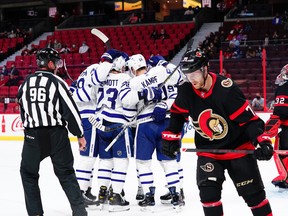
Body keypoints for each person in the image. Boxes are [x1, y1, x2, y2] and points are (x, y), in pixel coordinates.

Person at [161, 48, 274, 216]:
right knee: (208, 196)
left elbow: (250, 121)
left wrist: (263, 141)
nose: (191, 79)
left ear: (205, 68)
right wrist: (171, 136)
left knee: (255, 197)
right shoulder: (186, 91)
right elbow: (177, 114)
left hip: (238, 150)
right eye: (187, 74)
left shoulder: (226, 90)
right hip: (209, 152)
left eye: (195, 73)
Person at [17, 47, 88, 216]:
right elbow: (70, 110)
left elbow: (22, 107)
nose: (57, 66)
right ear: (49, 64)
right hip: (56, 135)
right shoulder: (57, 82)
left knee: (28, 174)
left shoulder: (25, 82)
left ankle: (35, 213)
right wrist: (79, 134)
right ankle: (79, 212)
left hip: (32, 136)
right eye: (56, 63)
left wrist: (29, 128)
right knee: (67, 174)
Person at [120, 54, 184, 210]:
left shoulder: (132, 82)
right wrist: (164, 105)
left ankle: (149, 196)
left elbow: (126, 101)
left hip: (144, 124)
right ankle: (176, 195)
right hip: (167, 123)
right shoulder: (163, 73)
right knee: (169, 162)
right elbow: (179, 92)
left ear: (132, 68)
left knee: (143, 163)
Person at [71, 49, 126, 208]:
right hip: (90, 117)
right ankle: (79, 194)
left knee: (89, 156)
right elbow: (100, 76)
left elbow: (72, 91)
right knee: (88, 157)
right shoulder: (97, 68)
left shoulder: (85, 71)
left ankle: (86, 190)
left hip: (82, 116)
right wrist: (108, 59)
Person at [263, 64, 288, 188]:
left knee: (281, 152)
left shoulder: (284, 88)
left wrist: (267, 130)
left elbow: (281, 112)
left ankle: (286, 178)